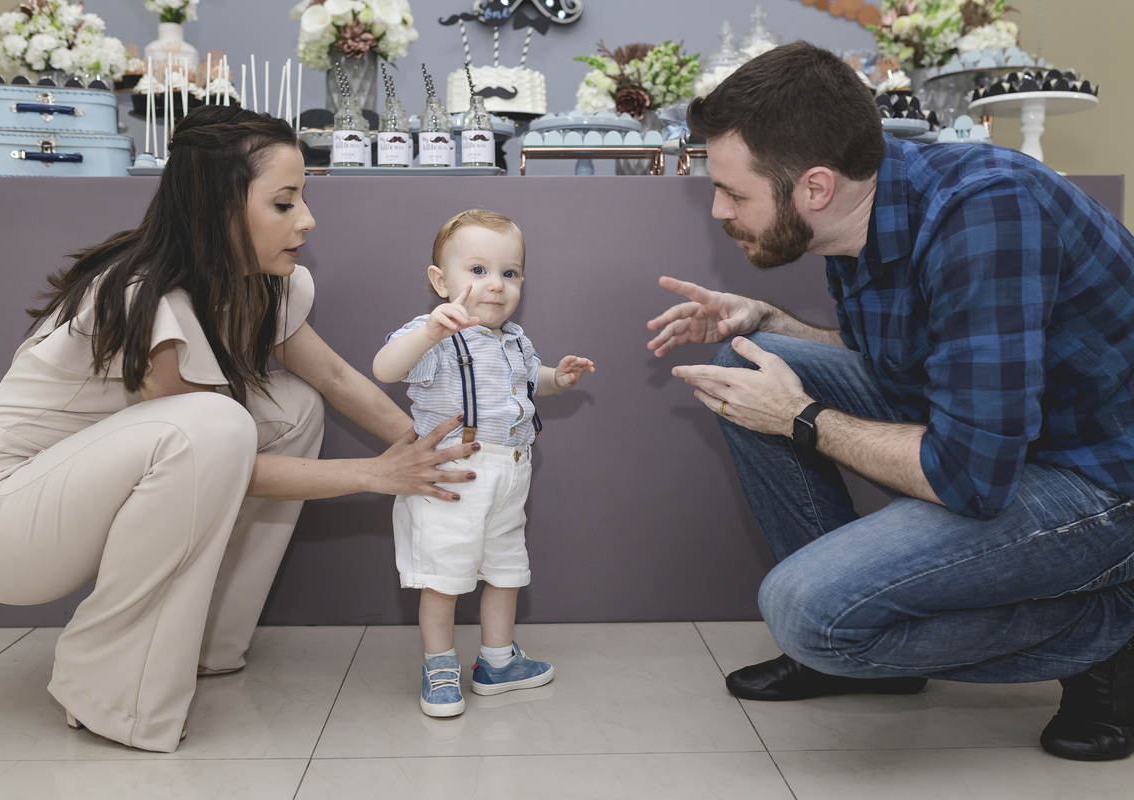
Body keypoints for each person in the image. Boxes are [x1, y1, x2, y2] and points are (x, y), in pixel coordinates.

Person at [0, 105, 480, 753]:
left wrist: (434, 451)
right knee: (217, 425)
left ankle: (206, 642)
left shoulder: (252, 285)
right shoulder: (146, 296)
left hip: (69, 502)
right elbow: (215, 453)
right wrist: (378, 474)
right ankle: (104, 688)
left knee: (291, 407)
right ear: (219, 206)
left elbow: (334, 379)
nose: (306, 218)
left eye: (302, 197)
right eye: (284, 202)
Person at [647, 41, 1134, 761]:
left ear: (815, 187)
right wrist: (770, 323)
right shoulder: (870, 208)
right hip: (1010, 443)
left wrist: (798, 417)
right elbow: (917, 368)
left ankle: (1107, 634)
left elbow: (968, 475)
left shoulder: (988, 213)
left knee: (806, 614)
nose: (719, 209)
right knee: (752, 360)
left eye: (735, 192)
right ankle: (870, 637)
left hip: (1098, 479)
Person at [373, 209, 594, 717]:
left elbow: (525, 380)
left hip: (512, 473)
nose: (495, 284)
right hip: (456, 475)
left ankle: (497, 661)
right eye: (478, 271)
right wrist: (428, 332)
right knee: (445, 576)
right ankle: (440, 665)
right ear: (439, 280)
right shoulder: (433, 333)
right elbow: (385, 368)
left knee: (505, 569)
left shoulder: (515, 338)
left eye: (509, 273)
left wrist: (556, 379)